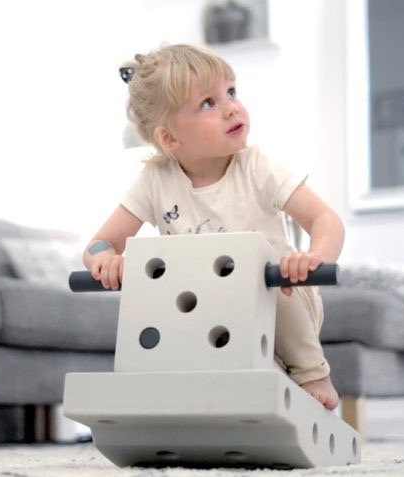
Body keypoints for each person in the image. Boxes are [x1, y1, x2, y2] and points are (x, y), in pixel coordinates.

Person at [83, 44, 345, 410]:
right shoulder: (154, 181)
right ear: (170, 138)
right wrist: (104, 260)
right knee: (240, 370)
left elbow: (326, 219)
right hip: (211, 308)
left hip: (281, 294)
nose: (232, 107)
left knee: (263, 286)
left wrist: (313, 259)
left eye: (232, 92)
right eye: (209, 103)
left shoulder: (257, 166)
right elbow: (99, 244)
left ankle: (312, 372)